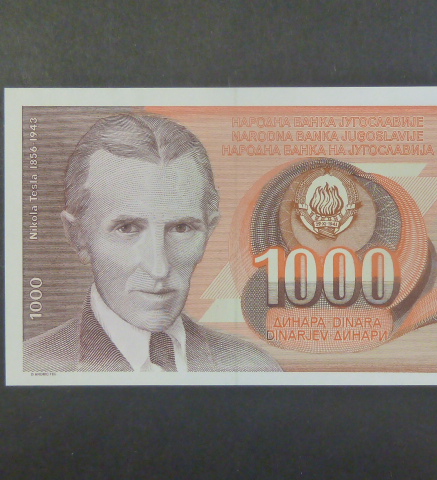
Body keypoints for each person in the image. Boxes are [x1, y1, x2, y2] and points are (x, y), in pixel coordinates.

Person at [24, 114, 282, 372]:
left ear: (209, 230)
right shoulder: (29, 365)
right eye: (127, 228)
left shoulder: (253, 367)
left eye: (181, 228)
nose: (159, 268)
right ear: (78, 235)